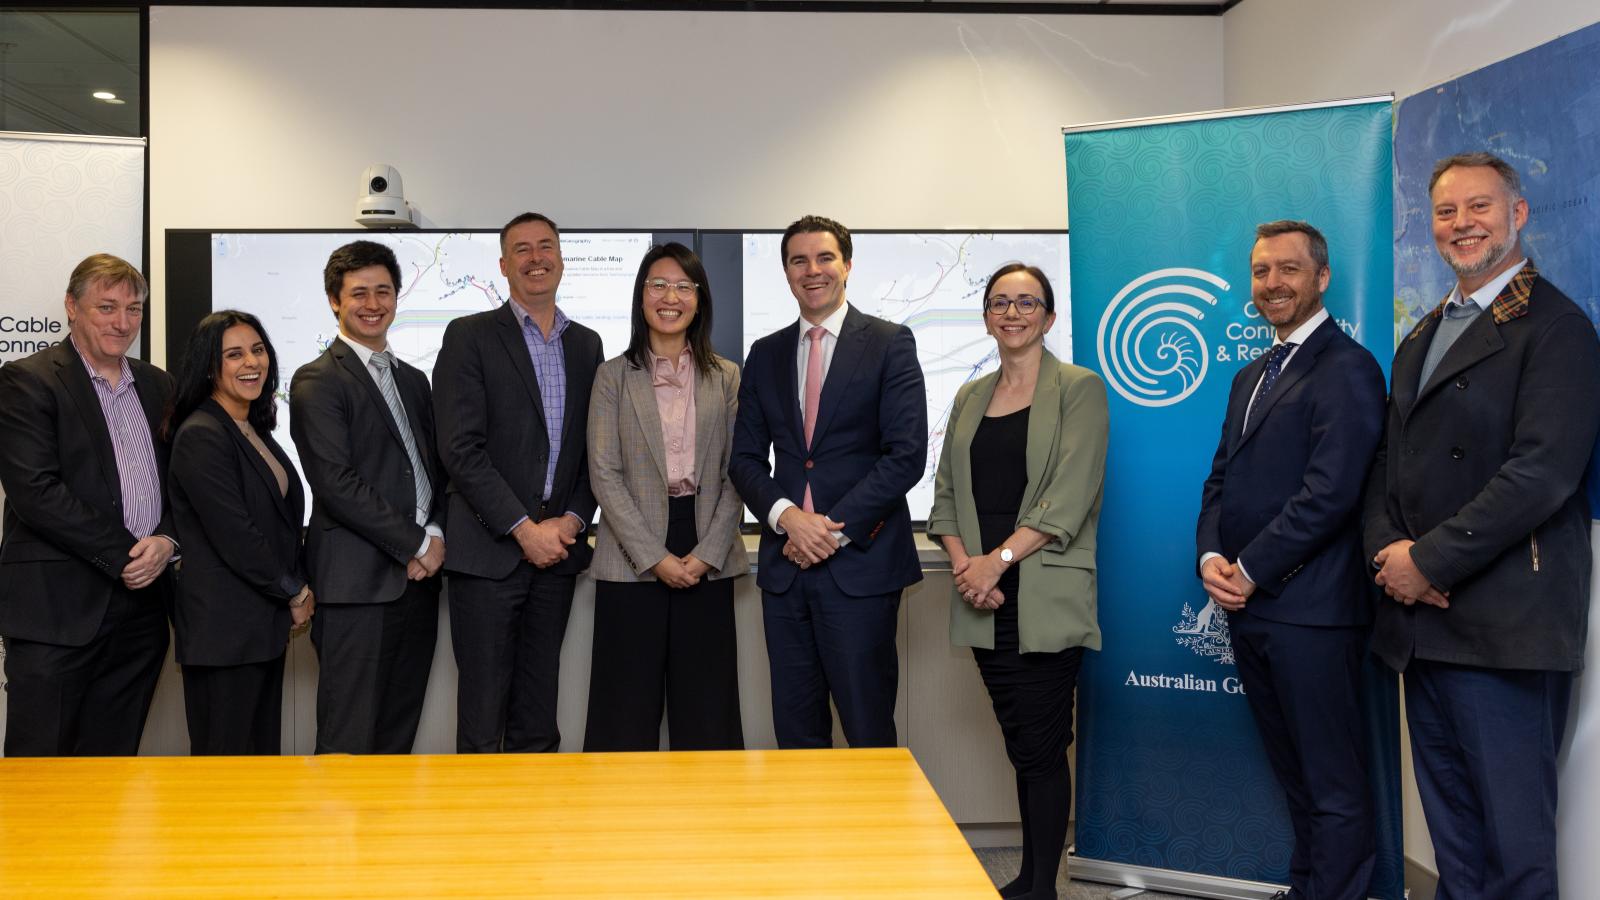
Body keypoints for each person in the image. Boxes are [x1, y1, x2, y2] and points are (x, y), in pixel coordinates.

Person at [1363, 152, 1600, 898]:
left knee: (1514, 847)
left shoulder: (1557, 329)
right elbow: (1386, 465)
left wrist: (1428, 562)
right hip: (1423, 626)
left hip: (1505, 624)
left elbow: (1542, 473)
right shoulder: (1422, 334)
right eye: (1445, 212)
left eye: (1479, 208)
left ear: (1518, 215)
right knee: (1455, 839)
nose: (1461, 225)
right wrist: (1387, 554)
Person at [1196, 221, 1385, 900]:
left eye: (1288, 270)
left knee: (1332, 785)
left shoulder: (1348, 367)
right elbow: (1222, 479)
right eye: (1261, 271)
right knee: (1295, 777)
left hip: (1315, 612)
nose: (1272, 283)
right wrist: (1212, 556)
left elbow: (1330, 494)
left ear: (1322, 278)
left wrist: (1247, 571)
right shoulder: (1251, 375)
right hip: (1255, 613)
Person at [927, 264, 1108, 900]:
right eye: (999, 302)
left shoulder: (1080, 389)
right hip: (984, 597)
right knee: (1017, 738)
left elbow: (1069, 498)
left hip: (1042, 594)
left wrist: (995, 563)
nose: (1012, 312)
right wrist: (965, 567)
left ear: (1049, 317)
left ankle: (1040, 887)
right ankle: (1034, 880)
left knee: (1040, 742)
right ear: (985, 317)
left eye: (1026, 302)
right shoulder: (970, 397)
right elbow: (944, 494)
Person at [729, 214, 927, 749]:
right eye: (798, 260)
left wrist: (829, 532)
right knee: (795, 732)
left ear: (847, 266)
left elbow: (905, 455)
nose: (811, 270)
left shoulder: (889, 343)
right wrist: (789, 519)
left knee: (867, 730)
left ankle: (874, 837)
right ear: (787, 272)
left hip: (860, 567)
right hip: (786, 568)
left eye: (824, 258)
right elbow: (744, 458)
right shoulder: (765, 354)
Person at [433, 212, 603, 753]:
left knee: (538, 712)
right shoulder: (470, 337)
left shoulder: (588, 345)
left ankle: (538, 833)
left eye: (546, 246)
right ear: (504, 266)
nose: (536, 258)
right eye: (522, 250)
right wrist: (524, 529)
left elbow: (592, 452)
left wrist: (572, 521)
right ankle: (480, 837)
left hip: (557, 556)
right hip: (488, 556)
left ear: (561, 258)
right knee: (483, 719)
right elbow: (460, 449)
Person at [0, 254, 177, 757]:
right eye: (107, 307)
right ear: (71, 307)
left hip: (143, 611)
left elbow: (182, 483)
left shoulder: (158, 384)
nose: (123, 322)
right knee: (41, 775)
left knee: (112, 772)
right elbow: (36, 492)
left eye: (134, 309)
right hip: (58, 612)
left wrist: (166, 540)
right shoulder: (27, 380)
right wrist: (127, 556)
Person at [583, 243, 748, 751]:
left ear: (699, 299)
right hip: (630, 557)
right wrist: (654, 557)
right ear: (640, 297)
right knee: (624, 713)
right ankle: (620, 829)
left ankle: (707, 828)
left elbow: (735, 472)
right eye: (658, 285)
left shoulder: (726, 376)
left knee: (707, 711)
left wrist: (705, 554)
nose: (670, 297)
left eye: (683, 286)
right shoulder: (613, 375)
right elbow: (604, 472)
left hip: (706, 550)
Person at [289, 240, 445, 755]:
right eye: (359, 293)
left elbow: (434, 471)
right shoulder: (317, 380)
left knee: (397, 736)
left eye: (383, 291)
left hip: (416, 590)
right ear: (335, 300)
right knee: (348, 742)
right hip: (356, 589)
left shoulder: (414, 380)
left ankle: (388, 839)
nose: (372, 303)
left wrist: (436, 533)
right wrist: (416, 545)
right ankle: (335, 841)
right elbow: (337, 484)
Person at [167, 310, 312, 755]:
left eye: (258, 349)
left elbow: (278, 524)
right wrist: (294, 591)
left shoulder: (251, 428)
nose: (252, 362)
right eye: (234, 354)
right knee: (224, 774)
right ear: (211, 367)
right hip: (224, 632)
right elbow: (237, 535)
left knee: (257, 771)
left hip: (256, 629)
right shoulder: (202, 433)